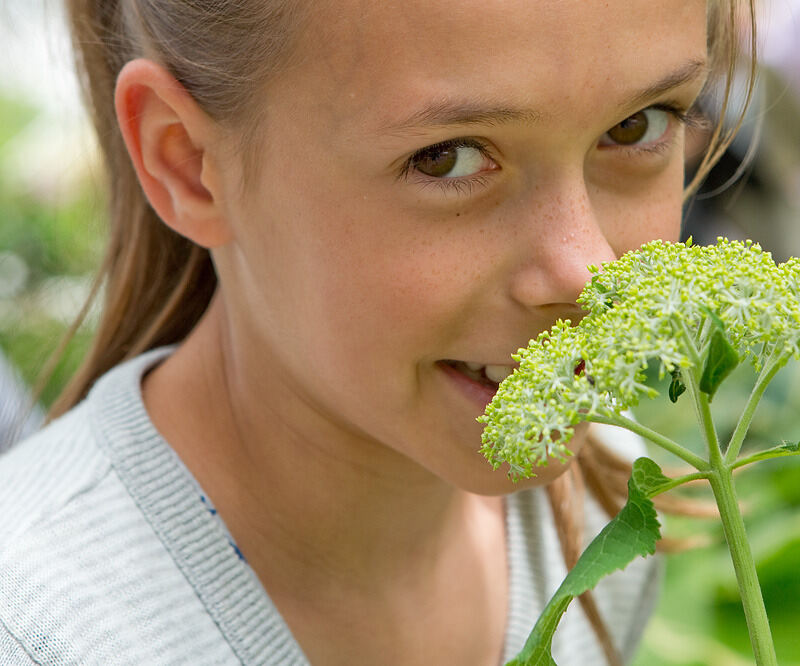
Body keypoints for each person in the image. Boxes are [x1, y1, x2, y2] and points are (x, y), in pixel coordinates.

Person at [0, 1, 755, 664]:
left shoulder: (599, 515)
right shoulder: (37, 632)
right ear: (190, 163)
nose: (586, 273)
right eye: (446, 157)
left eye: (636, 125)